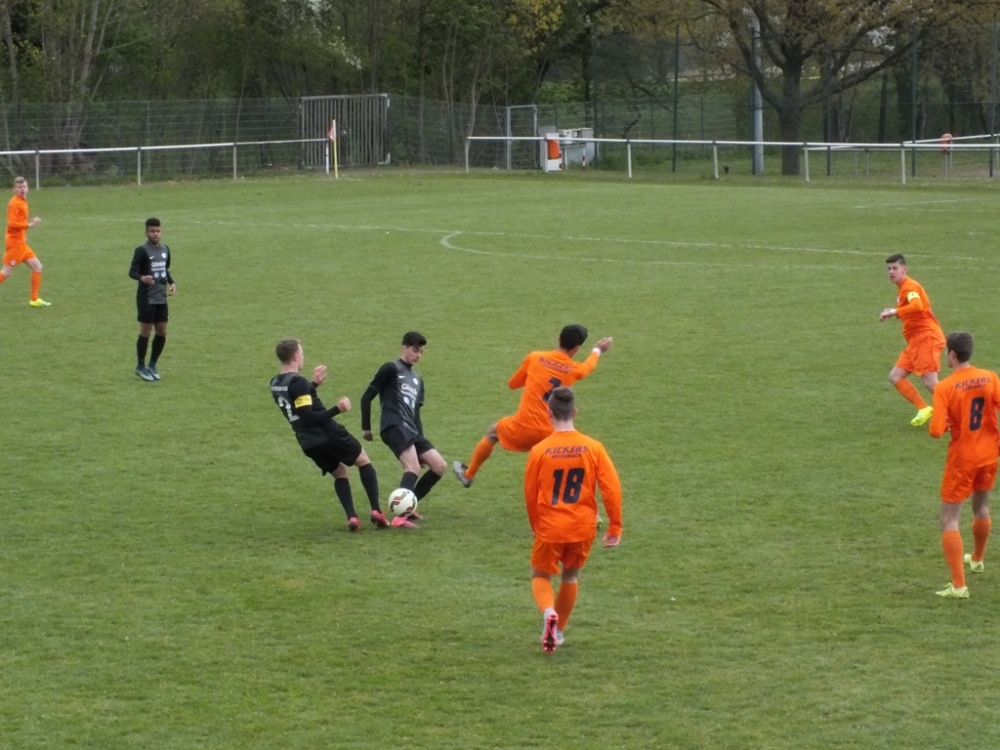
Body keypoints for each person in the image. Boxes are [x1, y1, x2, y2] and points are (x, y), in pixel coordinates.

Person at [453, 324, 613, 488]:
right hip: (552, 433)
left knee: (493, 432)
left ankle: (468, 474)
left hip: (523, 427)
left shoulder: (535, 357)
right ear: (577, 349)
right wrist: (598, 349)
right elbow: (588, 366)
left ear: (559, 338)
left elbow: (513, 384)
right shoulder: (574, 370)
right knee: (557, 468)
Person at [524, 386, 622, 653]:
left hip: (551, 526)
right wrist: (615, 526)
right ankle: (559, 631)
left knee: (539, 575)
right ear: (574, 412)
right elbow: (611, 489)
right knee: (571, 576)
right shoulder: (594, 447)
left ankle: (548, 612)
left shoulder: (540, 450)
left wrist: (536, 525)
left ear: (548, 413)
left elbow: (530, 493)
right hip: (582, 526)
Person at [270, 338, 389, 532]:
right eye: (302, 353)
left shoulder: (275, 383)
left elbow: (296, 399)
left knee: (339, 472)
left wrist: (313, 384)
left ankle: (352, 518)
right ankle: (376, 511)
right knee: (363, 461)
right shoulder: (298, 382)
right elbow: (309, 417)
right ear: (295, 357)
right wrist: (337, 409)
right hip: (327, 432)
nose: (303, 357)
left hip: (307, 442)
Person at [928, 331, 999, 599]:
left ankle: (959, 586)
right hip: (989, 454)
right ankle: (977, 559)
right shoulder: (990, 377)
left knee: (949, 519)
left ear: (953, 355)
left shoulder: (945, 387)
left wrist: (951, 422)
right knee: (981, 506)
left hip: (963, 459)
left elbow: (936, 431)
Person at [360, 331, 446, 528]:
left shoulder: (417, 380)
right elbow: (366, 397)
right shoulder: (391, 368)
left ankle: (408, 506)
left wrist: (421, 443)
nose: (418, 355)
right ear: (404, 348)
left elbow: (416, 415)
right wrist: (366, 428)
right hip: (393, 425)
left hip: (411, 430)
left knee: (439, 466)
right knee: (412, 466)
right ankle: (400, 517)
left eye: (421, 352)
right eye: (415, 350)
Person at [879, 253, 946, 427]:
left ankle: (957, 413)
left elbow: (917, 306)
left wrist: (894, 312)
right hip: (916, 341)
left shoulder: (909, 287)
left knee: (930, 382)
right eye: (889, 269)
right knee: (895, 376)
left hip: (926, 337)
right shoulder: (903, 289)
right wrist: (895, 311)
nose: (891, 272)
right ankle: (924, 408)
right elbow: (912, 309)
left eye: (895, 268)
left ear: (904, 269)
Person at [129, 218, 176, 381]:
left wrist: (171, 282)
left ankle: (152, 364)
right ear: (146, 233)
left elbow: (164, 269)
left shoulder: (165, 249)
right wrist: (142, 278)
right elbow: (132, 271)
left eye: (158, 231)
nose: (155, 234)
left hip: (161, 297)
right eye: (152, 231)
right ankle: (140, 366)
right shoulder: (141, 251)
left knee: (162, 331)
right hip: (146, 298)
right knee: (146, 331)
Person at [1, 176, 50, 307]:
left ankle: (34, 300)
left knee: (38, 267)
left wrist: (23, 234)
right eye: (19, 187)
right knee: (5, 273)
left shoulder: (22, 201)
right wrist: (29, 225)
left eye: (24, 187)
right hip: (15, 245)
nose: (22, 189)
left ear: (27, 188)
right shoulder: (14, 203)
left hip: (21, 243)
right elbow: (12, 224)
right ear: (14, 189)